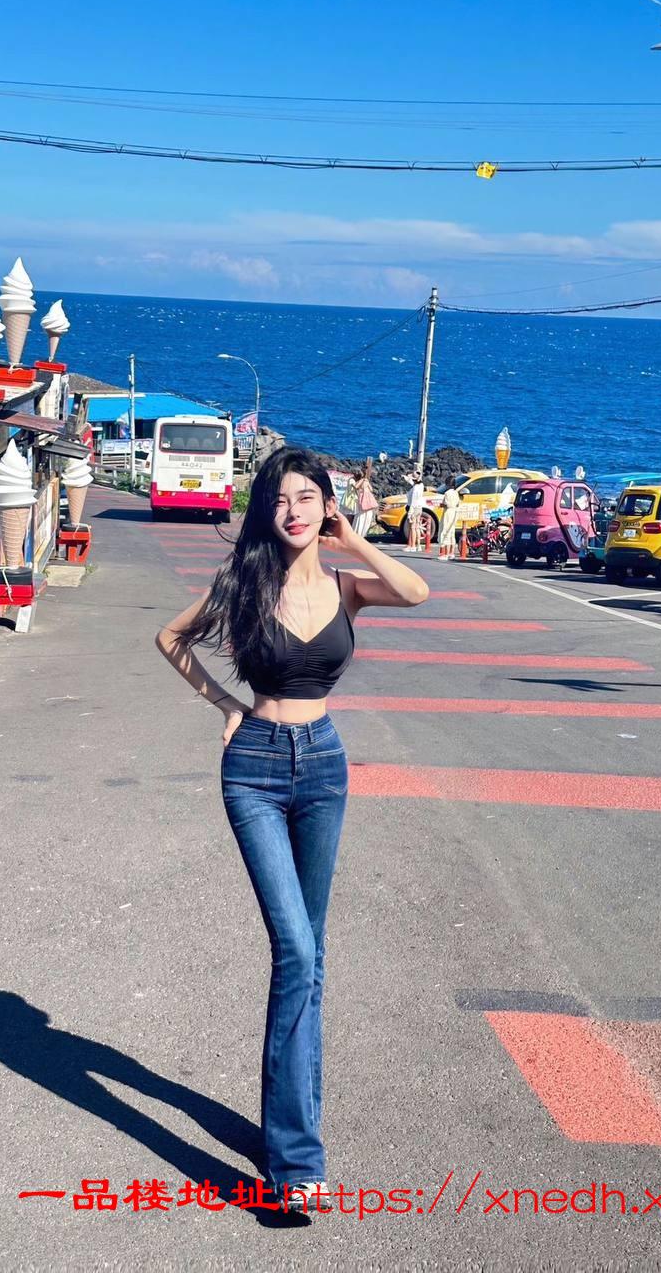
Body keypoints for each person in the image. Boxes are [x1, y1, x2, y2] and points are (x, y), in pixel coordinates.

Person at [155, 447, 429, 1215]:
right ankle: (294, 1163)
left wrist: (355, 539)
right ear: (265, 511)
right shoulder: (244, 582)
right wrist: (225, 704)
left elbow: (416, 589)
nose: (293, 510)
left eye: (307, 497)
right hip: (254, 769)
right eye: (280, 499)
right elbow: (171, 638)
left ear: (326, 506)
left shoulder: (347, 587)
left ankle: (293, 1130)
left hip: (325, 768)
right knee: (297, 951)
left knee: (312, 956)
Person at [352, 465, 378, 541]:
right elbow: (371, 489)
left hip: (362, 500)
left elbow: (356, 487)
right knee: (366, 516)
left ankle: (358, 533)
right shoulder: (366, 481)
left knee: (360, 516)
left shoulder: (362, 480)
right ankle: (363, 534)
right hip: (368, 501)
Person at [438, 475, 461, 560]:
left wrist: (441, 505)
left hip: (448, 512)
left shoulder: (447, 493)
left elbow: (447, 504)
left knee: (445, 531)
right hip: (454, 512)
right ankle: (451, 553)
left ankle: (445, 554)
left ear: (447, 484)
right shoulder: (456, 492)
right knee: (451, 532)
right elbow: (457, 503)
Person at [403, 467, 425, 553]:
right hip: (419, 508)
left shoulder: (415, 488)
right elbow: (413, 482)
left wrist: (410, 514)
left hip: (414, 508)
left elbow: (413, 501)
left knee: (412, 528)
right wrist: (408, 478)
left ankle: (412, 546)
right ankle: (418, 545)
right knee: (417, 527)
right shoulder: (421, 486)